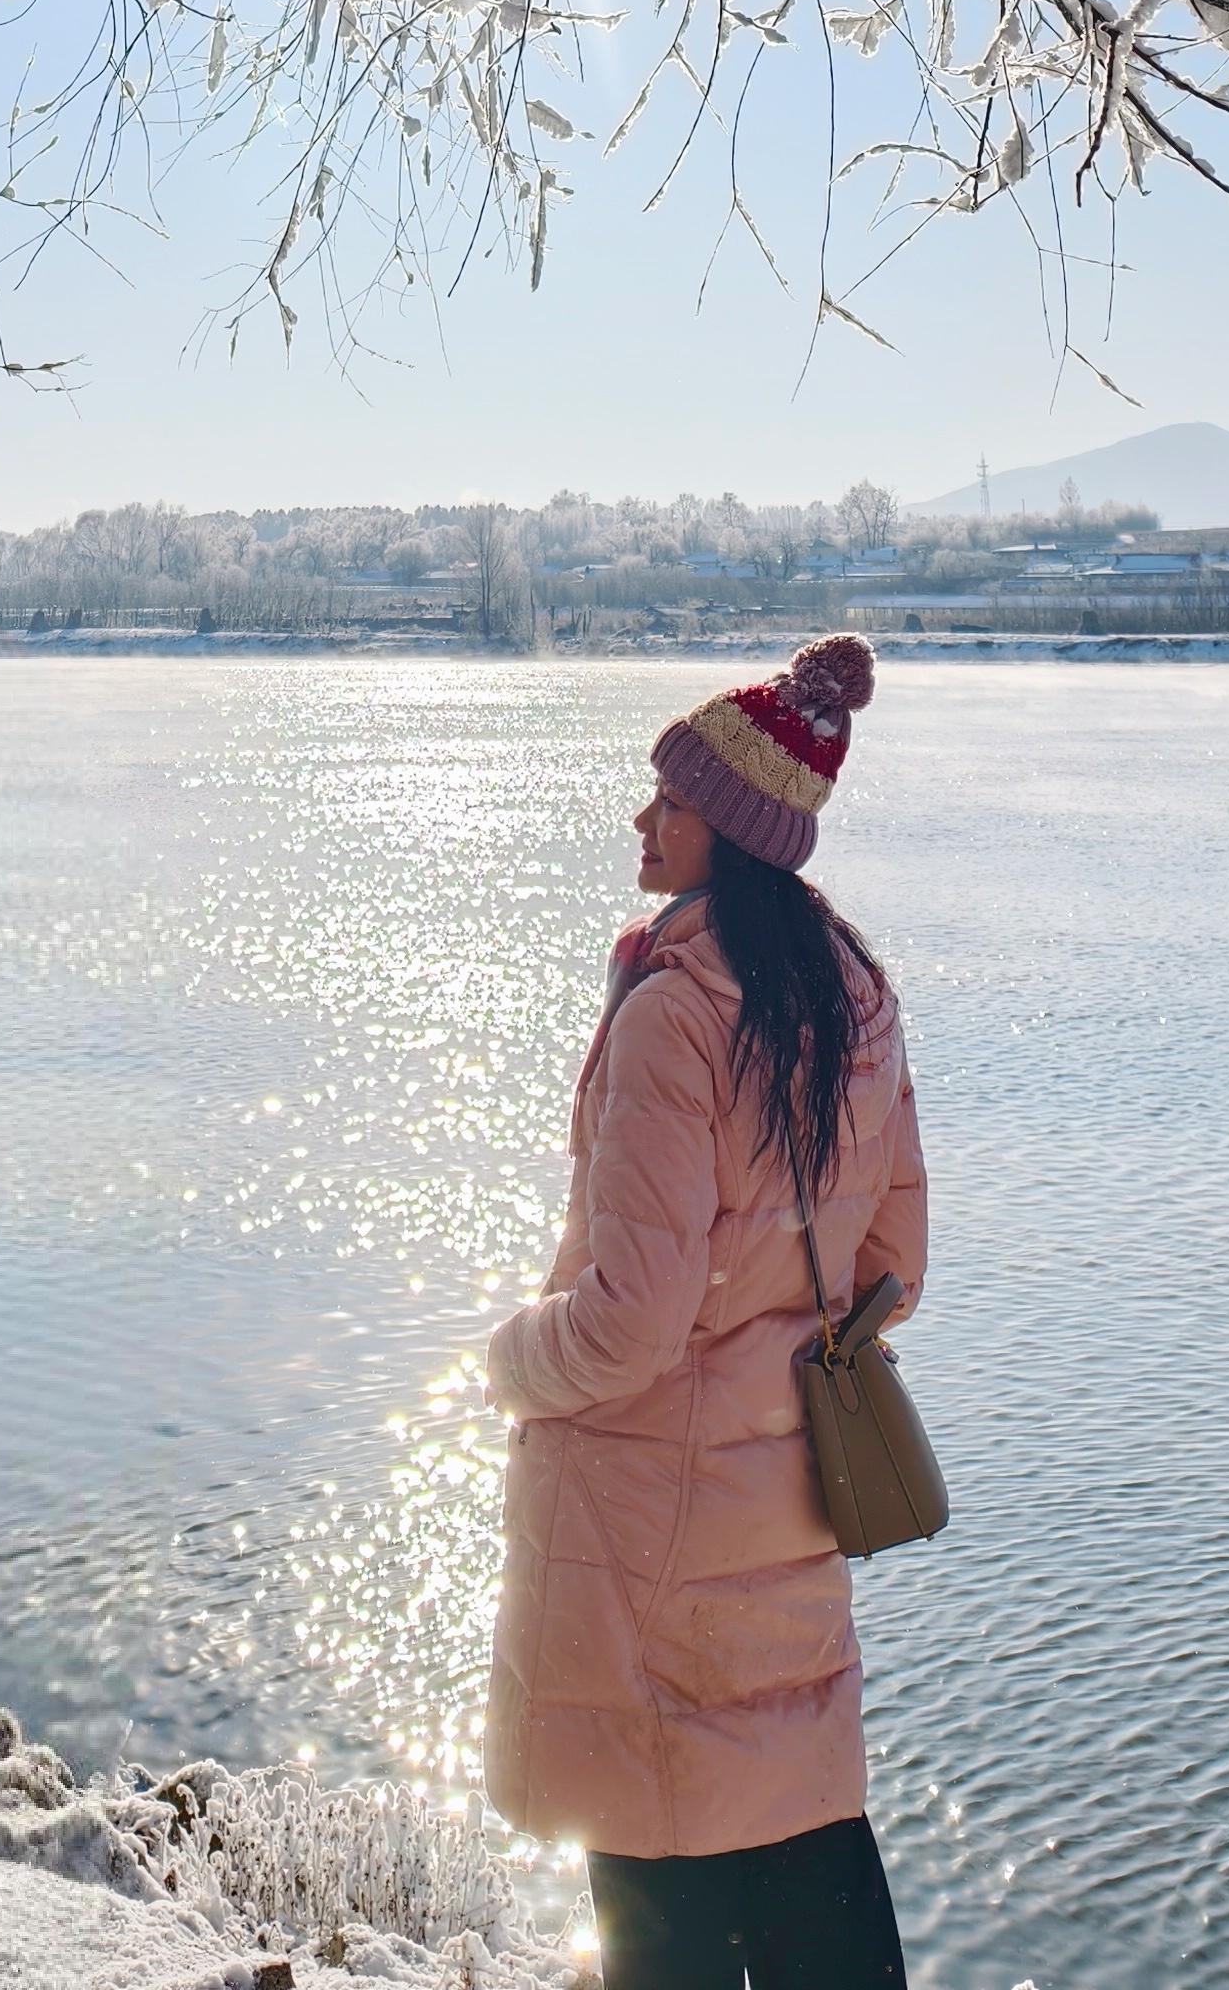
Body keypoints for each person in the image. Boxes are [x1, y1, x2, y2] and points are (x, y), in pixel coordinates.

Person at [483, 635, 926, 1990]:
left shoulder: (678, 1015)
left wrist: (509, 1357)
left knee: (658, 1921)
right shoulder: (851, 994)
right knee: (803, 1877)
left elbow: (625, 1328)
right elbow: (898, 1257)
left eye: (667, 801)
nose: (641, 817)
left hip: (641, 1558)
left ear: (728, 832)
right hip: (782, 1525)